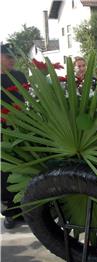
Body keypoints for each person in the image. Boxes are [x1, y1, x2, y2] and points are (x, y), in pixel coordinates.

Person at [1, 43, 27, 229]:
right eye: (7, 56)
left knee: (22, 166)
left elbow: (25, 99)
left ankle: (22, 207)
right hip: (2, 132)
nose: (12, 60)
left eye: (13, 57)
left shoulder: (19, 76)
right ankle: (10, 211)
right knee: (4, 172)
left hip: (20, 128)